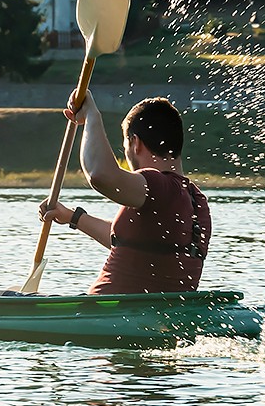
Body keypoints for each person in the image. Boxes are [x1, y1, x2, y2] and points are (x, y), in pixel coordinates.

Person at [37, 94, 210, 293]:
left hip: (105, 314)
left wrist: (92, 116)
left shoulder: (157, 185)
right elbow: (129, 242)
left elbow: (99, 175)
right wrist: (73, 217)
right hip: (151, 314)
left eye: (125, 145)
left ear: (135, 143)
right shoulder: (195, 200)